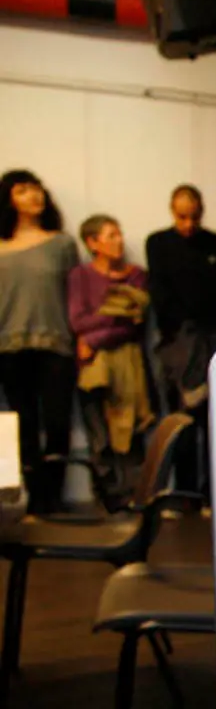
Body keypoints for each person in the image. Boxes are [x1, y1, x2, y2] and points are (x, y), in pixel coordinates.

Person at [146, 184, 216, 507]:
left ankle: (214, 494)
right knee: (182, 422)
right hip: (179, 346)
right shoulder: (159, 243)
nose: (188, 223)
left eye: (194, 216)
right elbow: (160, 294)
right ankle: (185, 494)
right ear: (172, 212)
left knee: (215, 423)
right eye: (182, 216)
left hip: (214, 344)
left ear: (202, 212)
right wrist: (182, 337)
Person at [0, 170, 79, 515]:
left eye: (37, 189)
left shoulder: (62, 243)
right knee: (23, 423)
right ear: (8, 199)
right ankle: (34, 498)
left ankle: (54, 497)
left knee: (58, 421)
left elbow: (75, 296)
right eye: (22, 190)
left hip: (56, 343)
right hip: (8, 346)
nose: (34, 195)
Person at [68, 214, 154, 492]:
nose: (119, 241)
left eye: (120, 234)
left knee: (131, 431)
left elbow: (134, 323)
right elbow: (78, 321)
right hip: (93, 367)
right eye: (111, 236)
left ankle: (136, 497)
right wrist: (115, 313)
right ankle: (107, 499)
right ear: (93, 243)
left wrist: (92, 339)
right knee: (99, 436)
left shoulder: (136, 275)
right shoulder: (80, 275)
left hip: (129, 363)